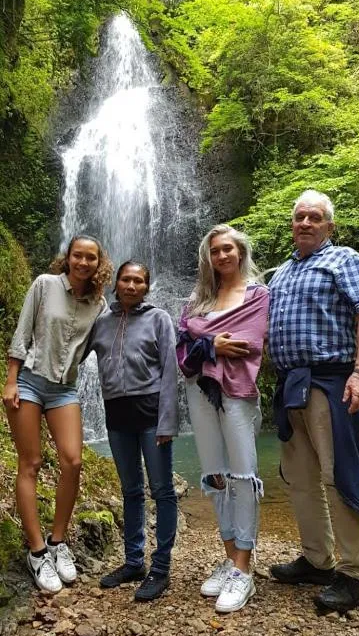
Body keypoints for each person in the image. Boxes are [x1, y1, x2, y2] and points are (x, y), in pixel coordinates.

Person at [268, 189, 359, 613]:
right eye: (299, 217)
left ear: (329, 226)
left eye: (315, 217)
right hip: (289, 385)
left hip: (332, 382)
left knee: (340, 476)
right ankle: (318, 560)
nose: (305, 223)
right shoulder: (281, 272)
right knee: (300, 478)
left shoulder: (344, 259)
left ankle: (354, 577)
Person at [2, 235, 113, 593]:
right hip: (31, 381)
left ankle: (57, 541)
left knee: (73, 461)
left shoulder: (99, 303)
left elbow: (110, 340)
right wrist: (11, 381)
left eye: (90, 258)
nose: (83, 262)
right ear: (67, 258)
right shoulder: (44, 285)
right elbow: (22, 333)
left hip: (65, 387)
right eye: (77, 256)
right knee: (30, 463)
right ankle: (36, 552)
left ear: (99, 264)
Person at [177, 224, 269, 613]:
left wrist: (201, 335)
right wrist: (211, 341)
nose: (221, 256)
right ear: (208, 257)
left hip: (237, 392)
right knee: (215, 473)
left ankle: (244, 570)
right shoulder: (200, 298)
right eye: (215, 251)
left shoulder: (258, 295)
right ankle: (230, 558)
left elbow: (250, 342)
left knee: (243, 475)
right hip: (200, 390)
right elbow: (183, 338)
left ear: (240, 252)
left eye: (227, 249)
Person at [85, 260, 178, 602]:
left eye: (139, 280)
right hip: (116, 414)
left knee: (162, 490)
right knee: (131, 490)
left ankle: (161, 568)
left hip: (151, 412)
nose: (132, 285)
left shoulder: (159, 319)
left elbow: (170, 369)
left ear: (146, 286)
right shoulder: (102, 322)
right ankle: (134, 561)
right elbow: (76, 355)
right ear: (116, 283)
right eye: (126, 279)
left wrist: (168, 420)